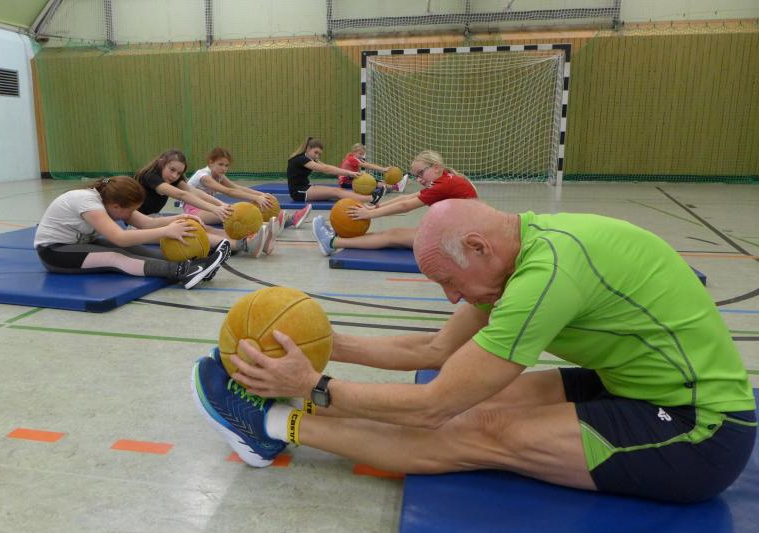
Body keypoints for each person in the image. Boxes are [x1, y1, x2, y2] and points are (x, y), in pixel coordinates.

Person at [192, 198, 757, 502]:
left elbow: (433, 406)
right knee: (476, 398)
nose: (451, 296)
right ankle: (294, 401)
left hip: (702, 430)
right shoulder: (522, 248)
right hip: (629, 384)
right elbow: (436, 346)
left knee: (475, 427)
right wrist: (324, 346)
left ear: (478, 246)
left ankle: (270, 423)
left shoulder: (547, 276)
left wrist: (311, 383)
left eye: (449, 281)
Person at [34, 176, 227, 289]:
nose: (130, 214)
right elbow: (120, 238)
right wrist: (167, 231)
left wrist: (180, 218)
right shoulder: (87, 202)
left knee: (137, 249)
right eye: (130, 210)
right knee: (114, 256)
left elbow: (148, 223)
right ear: (116, 206)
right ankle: (182, 272)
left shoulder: (111, 200)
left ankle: (194, 264)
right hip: (54, 252)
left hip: (78, 245)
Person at [312, 150, 477, 256]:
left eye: (420, 173)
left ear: (436, 167)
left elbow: (405, 206)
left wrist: (370, 214)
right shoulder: (445, 178)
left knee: (392, 235)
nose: (419, 179)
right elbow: (407, 198)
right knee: (395, 234)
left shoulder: (443, 185)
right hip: (459, 234)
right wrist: (375, 207)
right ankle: (339, 239)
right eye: (416, 176)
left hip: (458, 241)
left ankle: (333, 243)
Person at [136, 149, 271, 258]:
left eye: (178, 173)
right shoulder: (150, 176)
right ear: (161, 163)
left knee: (204, 227)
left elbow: (193, 191)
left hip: (151, 219)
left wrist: (220, 205)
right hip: (137, 226)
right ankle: (243, 245)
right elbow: (181, 195)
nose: (174, 176)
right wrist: (214, 209)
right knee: (191, 231)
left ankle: (250, 240)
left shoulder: (172, 178)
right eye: (172, 170)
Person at [187, 148, 312, 238]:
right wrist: (256, 198)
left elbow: (237, 187)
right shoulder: (204, 176)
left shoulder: (219, 175)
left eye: (226, 165)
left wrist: (260, 195)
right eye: (220, 164)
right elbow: (228, 191)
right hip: (195, 211)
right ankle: (274, 224)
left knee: (244, 210)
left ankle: (290, 218)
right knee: (236, 214)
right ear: (210, 162)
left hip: (211, 207)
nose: (224, 168)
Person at [287, 137, 385, 205]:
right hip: (299, 192)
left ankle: (370, 198)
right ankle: (371, 198)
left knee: (339, 191)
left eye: (319, 154)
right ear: (308, 148)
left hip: (306, 187)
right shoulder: (301, 159)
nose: (317, 156)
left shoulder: (308, 158)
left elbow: (327, 166)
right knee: (336, 192)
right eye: (315, 152)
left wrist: (349, 173)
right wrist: (349, 173)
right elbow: (326, 169)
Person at [337, 143, 407, 193]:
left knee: (373, 179)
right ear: (354, 152)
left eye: (363, 154)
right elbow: (368, 166)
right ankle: (396, 187)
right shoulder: (352, 159)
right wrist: (383, 169)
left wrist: (384, 168)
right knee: (371, 182)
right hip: (345, 182)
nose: (361, 156)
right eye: (360, 154)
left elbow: (369, 164)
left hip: (349, 179)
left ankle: (389, 186)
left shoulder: (355, 157)